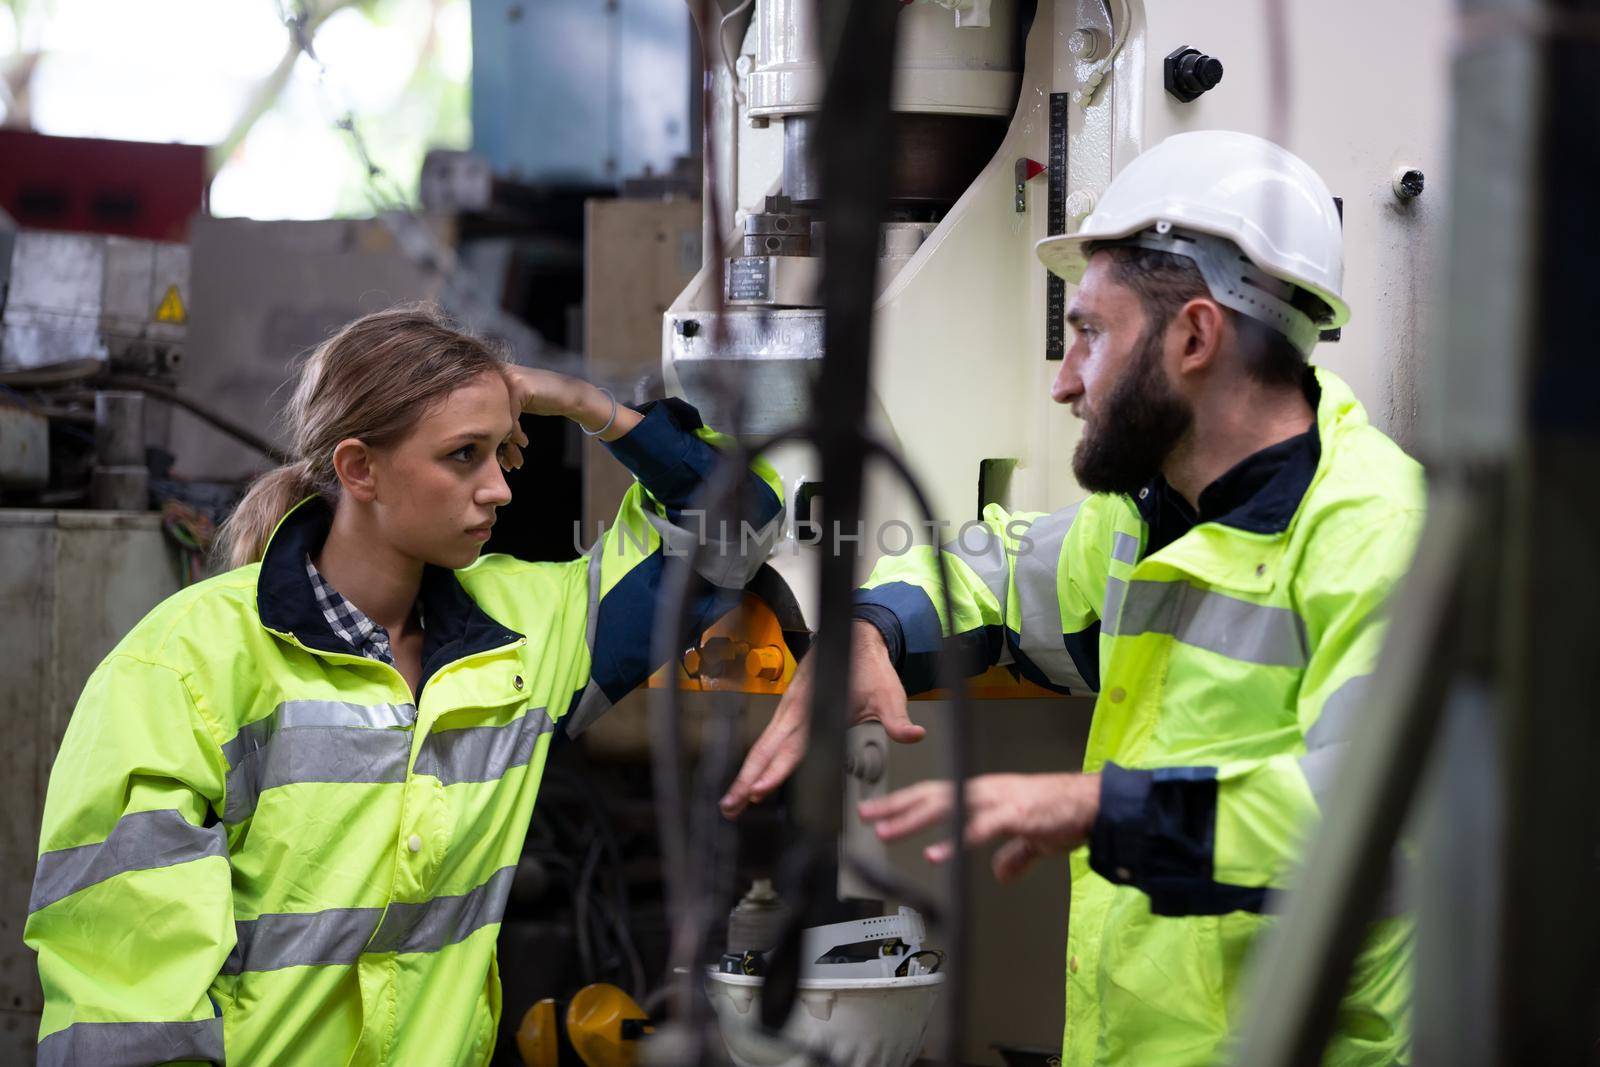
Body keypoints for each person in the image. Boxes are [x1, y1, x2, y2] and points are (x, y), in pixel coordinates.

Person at [720, 131, 1424, 1065]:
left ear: (1196, 337)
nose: (1064, 379)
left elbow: (1365, 817)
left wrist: (1099, 809)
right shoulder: (1147, 517)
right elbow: (999, 572)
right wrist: (870, 630)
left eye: (1089, 330)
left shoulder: (1378, 534)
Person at [24, 305, 782, 1066]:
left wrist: (588, 406)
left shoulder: (525, 635)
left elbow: (734, 527)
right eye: (462, 456)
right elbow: (127, 1013)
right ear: (360, 468)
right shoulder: (182, 665)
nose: (499, 489)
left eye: (500, 453)